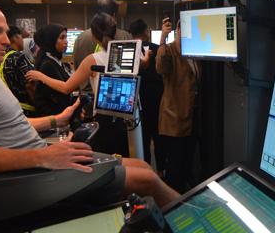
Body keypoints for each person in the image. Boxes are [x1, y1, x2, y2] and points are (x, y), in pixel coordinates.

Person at [0, 3, 178, 207]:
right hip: (34, 174)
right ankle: (194, 222)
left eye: (5, 32)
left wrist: (56, 120)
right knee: (147, 180)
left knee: (143, 166)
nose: (6, 40)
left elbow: (13, 125)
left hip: (42, 158)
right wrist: (43, 156)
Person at [26, 13, 129, 156]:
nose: (65, 41)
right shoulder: (123, 54)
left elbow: (66, 87)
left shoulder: (92, 59)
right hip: (124, 115)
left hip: (104, 116)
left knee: (106, 158)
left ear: (93, 35)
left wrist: (40, 76)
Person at [156, 16, 200, 193]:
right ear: (178, 30)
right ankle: (173, 199)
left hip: (191, 118)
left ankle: (184, 195)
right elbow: (161, 68)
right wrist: (162, 39)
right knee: (175, 167)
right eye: (184, 29)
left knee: (187, 162)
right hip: (173, 118)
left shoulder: (194, 52)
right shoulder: (169, 50)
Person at [129, 19, 164, 174]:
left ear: (131, 34)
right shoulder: (156, 49)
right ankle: (161, 169)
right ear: (146, 32)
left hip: (138, 101)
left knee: (142, 138)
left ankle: (145, 170)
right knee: (158, 137)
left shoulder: (129, 50)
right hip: (157, 99)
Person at [73, 0, 132, 70]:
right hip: (118, 77)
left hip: (84, 76)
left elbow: (76, 65)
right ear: (114, 15)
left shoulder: (81, 38)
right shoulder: (125, 36)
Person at [0, 25, 36, 116]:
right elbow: (30, 85)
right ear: (15, 37)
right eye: (21, 37)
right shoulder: (18, 57)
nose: (23, 41)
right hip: (26, 110)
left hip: (7, 109)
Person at [33, 24, 71, 116]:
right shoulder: (48, 64)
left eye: (66, 37)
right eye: (62, 38)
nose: (66, 41)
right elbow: (65, 89)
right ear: (51, 40)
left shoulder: (54, 59)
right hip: (53, 117)